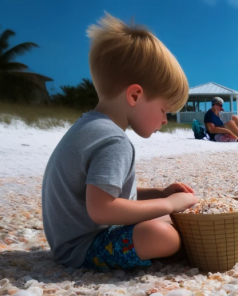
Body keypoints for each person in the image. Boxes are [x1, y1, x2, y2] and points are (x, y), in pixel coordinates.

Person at [41, 14, 197, 271]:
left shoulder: (89, 126)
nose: (165, 121)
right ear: (135, 95)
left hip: (68, 240)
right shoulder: (113, 140)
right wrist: (169, 204)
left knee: (163, 215)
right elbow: (102, 209)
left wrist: (160, 194)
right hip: (83, 247)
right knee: (165, 234)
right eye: (164, 110)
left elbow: (104, 192)